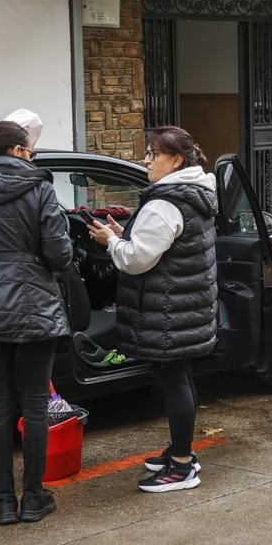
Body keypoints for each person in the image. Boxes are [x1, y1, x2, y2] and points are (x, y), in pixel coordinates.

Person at [0, 116, 73, 525]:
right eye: (31, 150)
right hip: (34, 303)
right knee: (35, 405)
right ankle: (34, 497)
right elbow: (59, 254)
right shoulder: (40, 188)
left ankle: (3, 500)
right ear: (20, 151)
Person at [87, 126, 218, 493]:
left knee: (174, 382)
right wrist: (124, 235)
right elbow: (162, 247)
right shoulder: (193, 194)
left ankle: (181, 467)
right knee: (180, 378)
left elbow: (136, 260)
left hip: (168, 310)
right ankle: (182, 452)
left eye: (153, 154)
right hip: (184, 307)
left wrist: (111, 241)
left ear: (175, 160)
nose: (146, 161)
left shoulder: (165, 203)